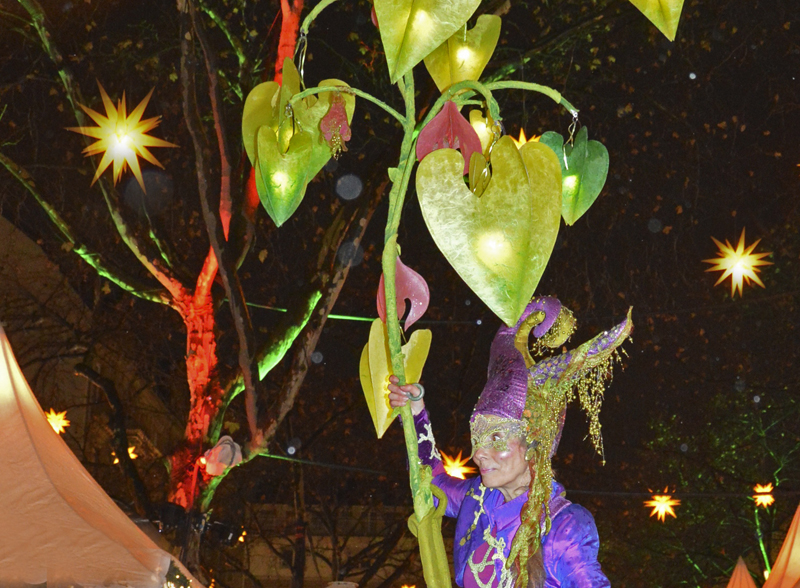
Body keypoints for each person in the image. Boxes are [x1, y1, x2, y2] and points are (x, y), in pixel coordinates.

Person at [389, 296, 633, 588]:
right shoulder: (478, 499)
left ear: (534, 445)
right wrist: (415, 410)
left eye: (496, 438)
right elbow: (428, 481)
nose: (478, 453)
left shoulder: (564, 526)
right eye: (477, 438)